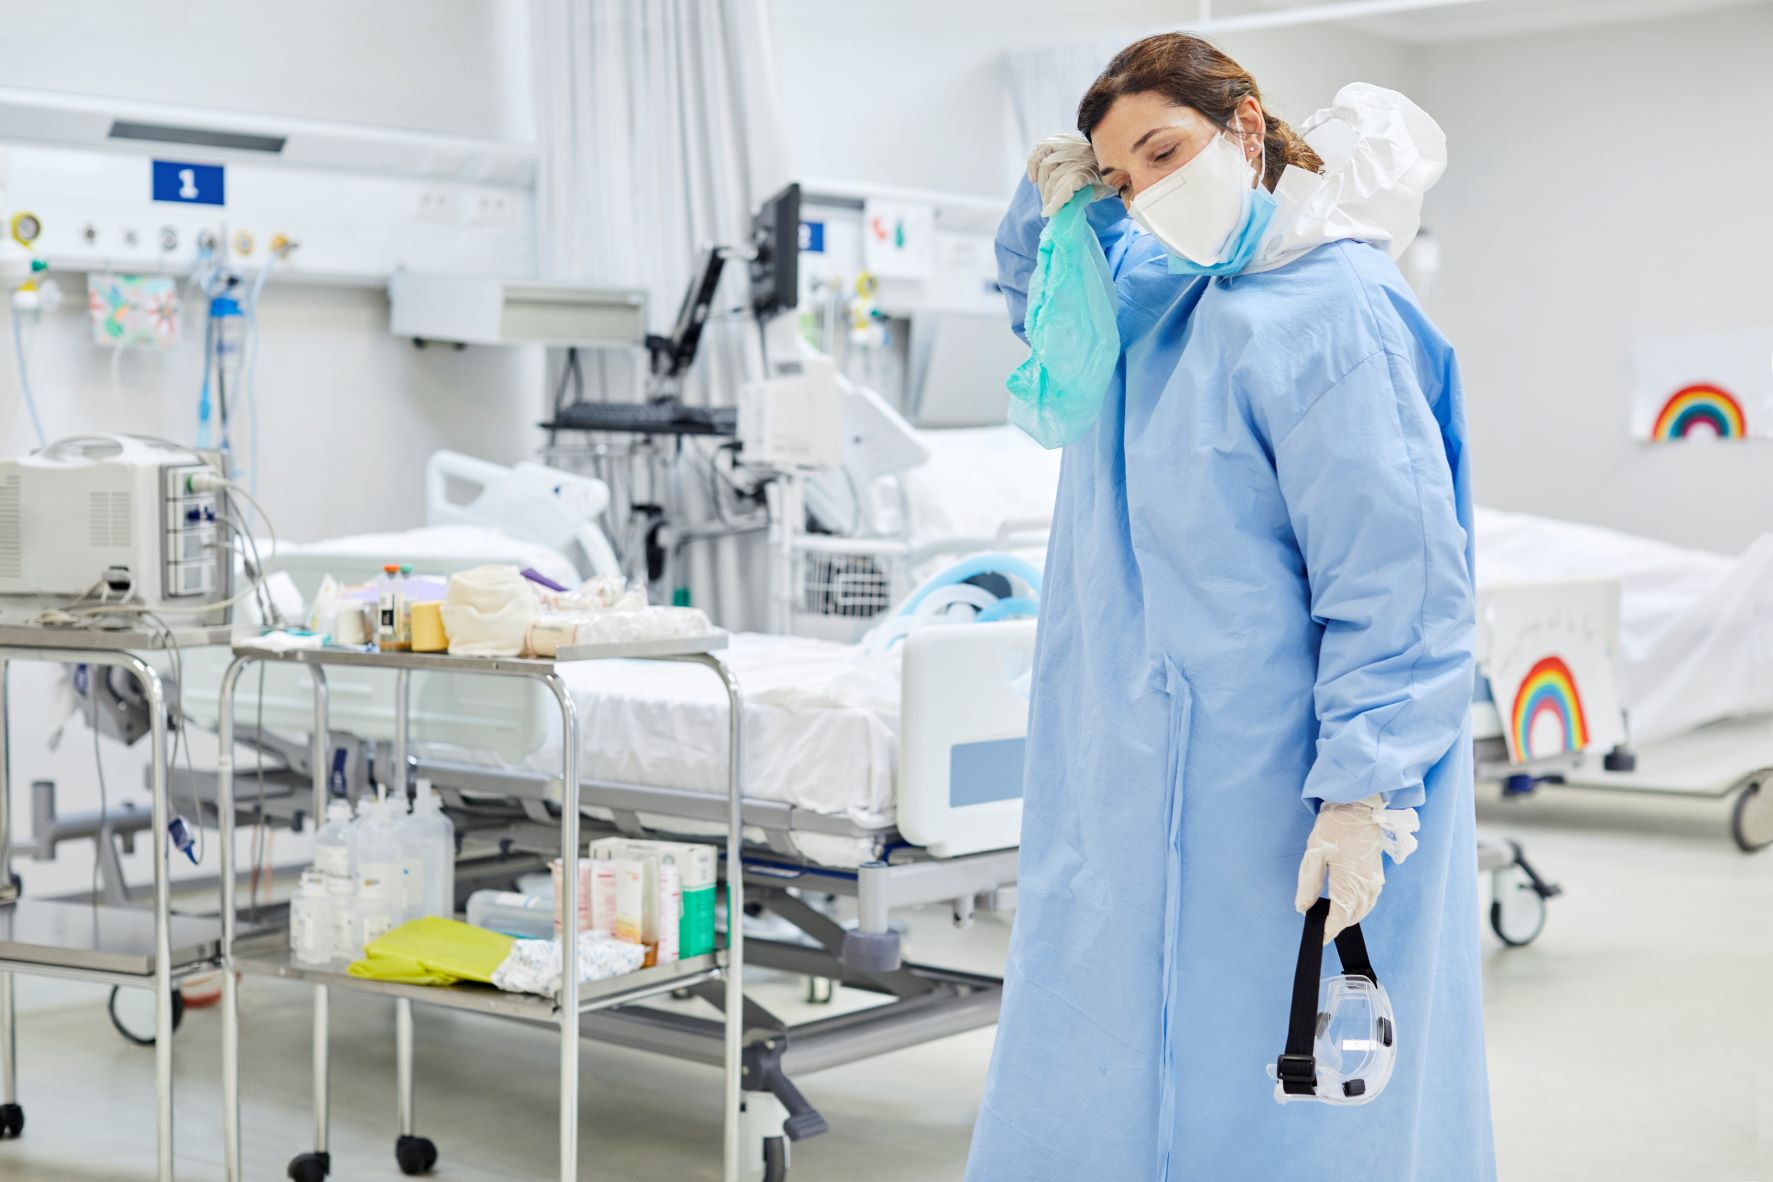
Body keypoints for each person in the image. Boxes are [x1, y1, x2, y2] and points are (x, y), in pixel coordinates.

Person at [965, 32, 1494, 1181]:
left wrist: (1360, 793)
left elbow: (1397, 582)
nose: (1146, 192)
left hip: (1276, 791)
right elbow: (1041, 308)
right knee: (1109, 1064)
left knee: (1277, 1095)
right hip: (1126, 775)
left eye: (1164, 152)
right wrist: (1054, 203)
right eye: (1120, 178)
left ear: (1245, 128)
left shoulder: (1334, 310)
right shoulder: (1160, 291)